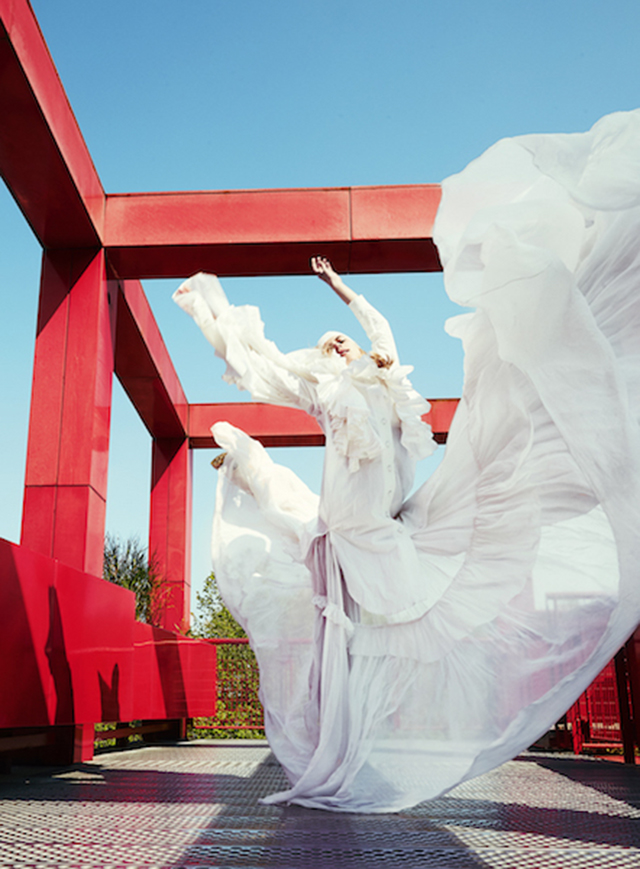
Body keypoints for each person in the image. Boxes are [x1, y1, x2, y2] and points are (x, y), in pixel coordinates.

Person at [174, 108, 640, 813]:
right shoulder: (324, 387)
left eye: (342, 341)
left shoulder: (381, 376)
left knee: (474, 486)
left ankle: (266, 483)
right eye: (329, 340)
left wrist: (345, 293)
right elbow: (270, 366)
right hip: (349, 518)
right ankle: (244, 460)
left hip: (376, 515)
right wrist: (223, 324)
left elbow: (383, 330)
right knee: (317, 549)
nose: (336, 345)